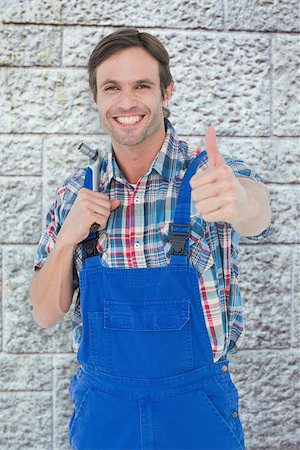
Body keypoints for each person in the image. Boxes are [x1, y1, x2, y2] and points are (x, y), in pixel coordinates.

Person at [29, 28, 271, 450]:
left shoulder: (212, 176)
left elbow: (258, 213)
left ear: (166, 91)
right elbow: (46, 314)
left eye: (142, 85)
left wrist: (238, 201)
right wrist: (68, 239)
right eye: (112, 88)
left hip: (196, 413)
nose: (126, 102)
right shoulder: (75, 193)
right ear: (95, 97)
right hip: (105, 414)